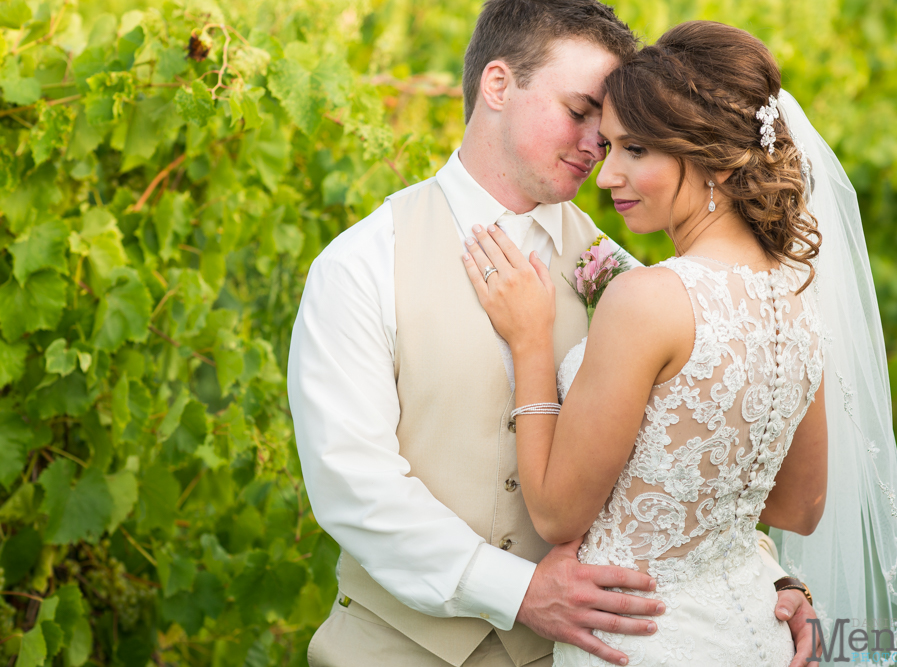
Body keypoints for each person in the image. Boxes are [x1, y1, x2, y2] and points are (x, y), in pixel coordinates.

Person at [287, 4, 821, 666]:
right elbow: (353, 485)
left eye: (612, 125)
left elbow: (680, 458)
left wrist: (764, 578)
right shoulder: (362, 264)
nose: (599, 141)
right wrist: (520, 591)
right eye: (579, 110)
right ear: (498, 85)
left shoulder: (626, 278)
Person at [460, 18, 897, 667]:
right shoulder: (796, 297)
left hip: (638, 642)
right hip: (754, 633)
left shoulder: (648, 298)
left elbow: (559, 515)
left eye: (635, 150)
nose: (606, 174)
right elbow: (799, 505)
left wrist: (533, 344)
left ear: (704, 154)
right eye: (608, 147)